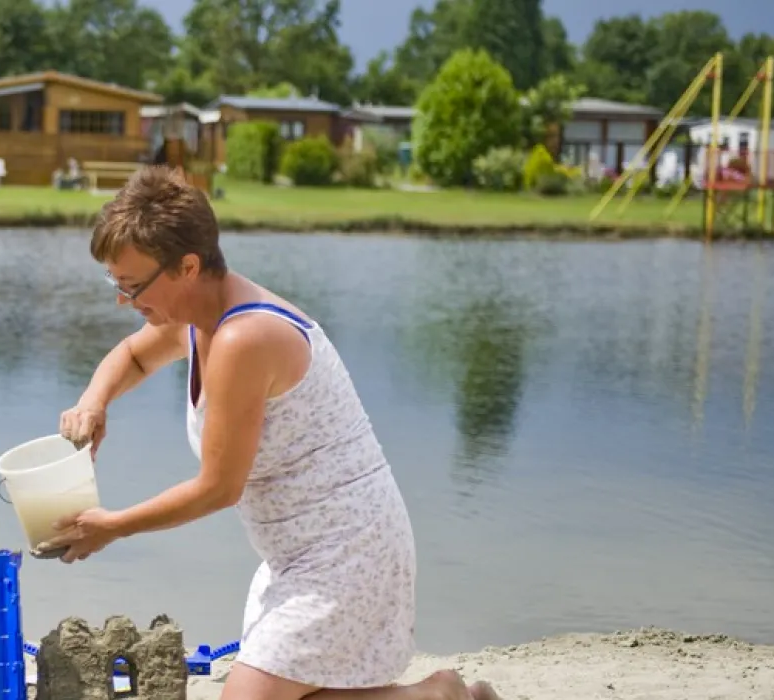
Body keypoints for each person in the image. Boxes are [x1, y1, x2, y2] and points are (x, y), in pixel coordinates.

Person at [42, 166, 501, 700]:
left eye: (132, 285)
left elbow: (219, 488)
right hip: (297, 555)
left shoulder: (245, 338)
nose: (123, 301)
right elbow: (134, 356)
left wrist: (113, 527)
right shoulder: (195, 313)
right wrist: (93, 403)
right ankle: (438, 696)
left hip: (347, 553)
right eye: (115, 284)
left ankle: (436, 696)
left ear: (187, 266)